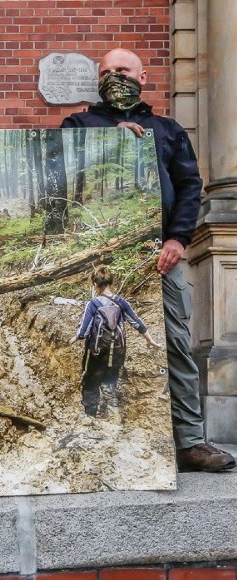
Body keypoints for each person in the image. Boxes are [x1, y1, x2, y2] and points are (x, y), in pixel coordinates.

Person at [61, 48, 235, 472]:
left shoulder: (168, 129)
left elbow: (190, 186)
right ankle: (85, 432)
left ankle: (190, 442)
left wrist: (178, 239)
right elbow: (59, 172)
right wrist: (107, 146)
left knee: (176, 343)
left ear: (143, 75)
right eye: (105, 72)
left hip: (160, 254)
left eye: (122, 70)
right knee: (88, 343)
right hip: (97, 257)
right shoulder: (78, 125)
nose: (113, 76)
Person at [69, 265, 161, 417]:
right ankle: (114, 418)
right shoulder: (121, 302)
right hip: (118, 352)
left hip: (97, 353)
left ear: (94, 284)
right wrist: (151, 340)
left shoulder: (93, 304)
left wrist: (74, 338)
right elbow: (137, 323)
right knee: (110, 382)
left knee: (91, 383)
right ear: (111, 283)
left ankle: (89, 418)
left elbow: (84, 332)